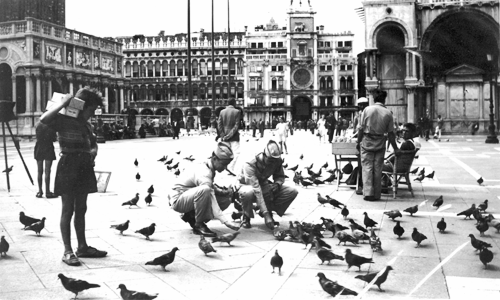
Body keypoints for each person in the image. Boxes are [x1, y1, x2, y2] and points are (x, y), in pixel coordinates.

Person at [40, 87, 107, 266]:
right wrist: (63, 103)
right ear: (81, 106)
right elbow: (44, 119)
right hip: (68, 164)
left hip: (84, 165)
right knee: (68, 209)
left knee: (82, 208)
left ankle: (82, 247)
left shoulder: (86, 125)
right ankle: (67, 250)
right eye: (91, 110)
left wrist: (93, 151)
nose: (92, 114)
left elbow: (94, 144)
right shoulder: (62, 120)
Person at [171, 142, 240, 237]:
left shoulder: (208, 165)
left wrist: (223, 192)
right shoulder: (205, 172)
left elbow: (210, 186)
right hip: (178, 200)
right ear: (215, 159)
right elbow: (209, 192)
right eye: (223, 164)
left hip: (188, 195)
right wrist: (225, 221)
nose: (225, 168)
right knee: (205, 190)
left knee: (225, 199)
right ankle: (199, 224)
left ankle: (191, 216)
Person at [237, 140, 298, 229]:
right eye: (270, 160)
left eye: (275, 160)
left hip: (262, 183)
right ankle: (246, 215)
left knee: (292, 192)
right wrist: (266, 215)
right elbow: (256, 190)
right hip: (247, 185)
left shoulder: (277, 161)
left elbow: (280, 176)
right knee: (248, 193)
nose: (273, 163)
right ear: (264, 156)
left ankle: (265, 210)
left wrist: (277, 184)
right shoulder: (250, 164)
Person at [357, 89, 399, 201]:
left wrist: (358, 141)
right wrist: (395, 148)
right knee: (377, 168)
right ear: (384, 99)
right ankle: (376, 194)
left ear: (374, 99)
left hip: (367, 142)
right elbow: (391, 134)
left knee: (367, 167)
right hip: (380, 142)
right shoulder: (388, 113)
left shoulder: (367, 110)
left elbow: (361, 129)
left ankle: (368, 193)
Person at [34, 122, 58, 199]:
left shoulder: (38, 124)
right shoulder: (51, 125)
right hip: (48, 148)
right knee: (47, 171)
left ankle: (40, 191)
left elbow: (37, 136)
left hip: (39, 148)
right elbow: (54, 139)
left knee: (39, 171)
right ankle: (47, 192)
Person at [218, 98, 241, 175]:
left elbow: (219, 125)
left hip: (224, 137)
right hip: (234, 136)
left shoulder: (222, 112)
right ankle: (230, 167)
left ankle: (228, 167)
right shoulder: (237, 111)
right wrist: (229, 135)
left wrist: (223, 135)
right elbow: (236, 126)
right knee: (236, 153)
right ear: (234, 103)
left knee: (227, 153)